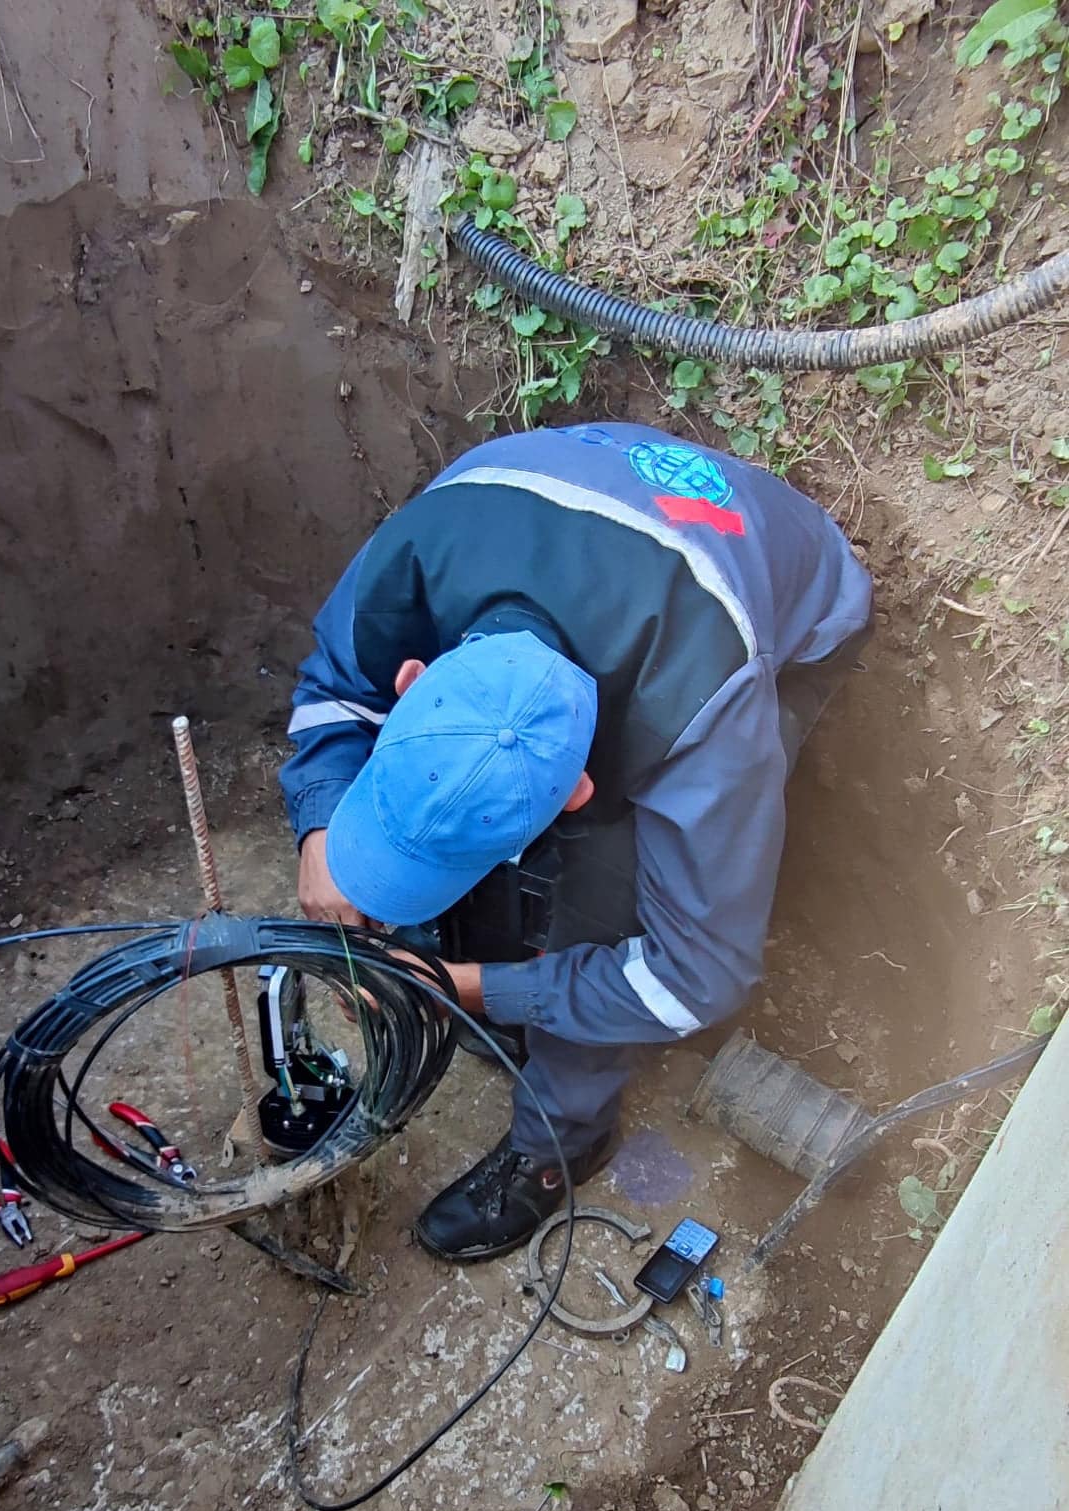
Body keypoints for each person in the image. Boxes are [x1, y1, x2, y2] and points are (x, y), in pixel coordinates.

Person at [280, 422, 873, 1262]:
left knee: (605, 887)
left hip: (791, 611)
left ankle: (561, 1139)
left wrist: (478, 988)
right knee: (501, 841)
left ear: (580, 791)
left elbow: (697, 978)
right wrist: (320, 828)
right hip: (604, 522)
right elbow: (334, 692)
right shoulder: (411, 560)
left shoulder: (704, 717)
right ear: (414, 679)